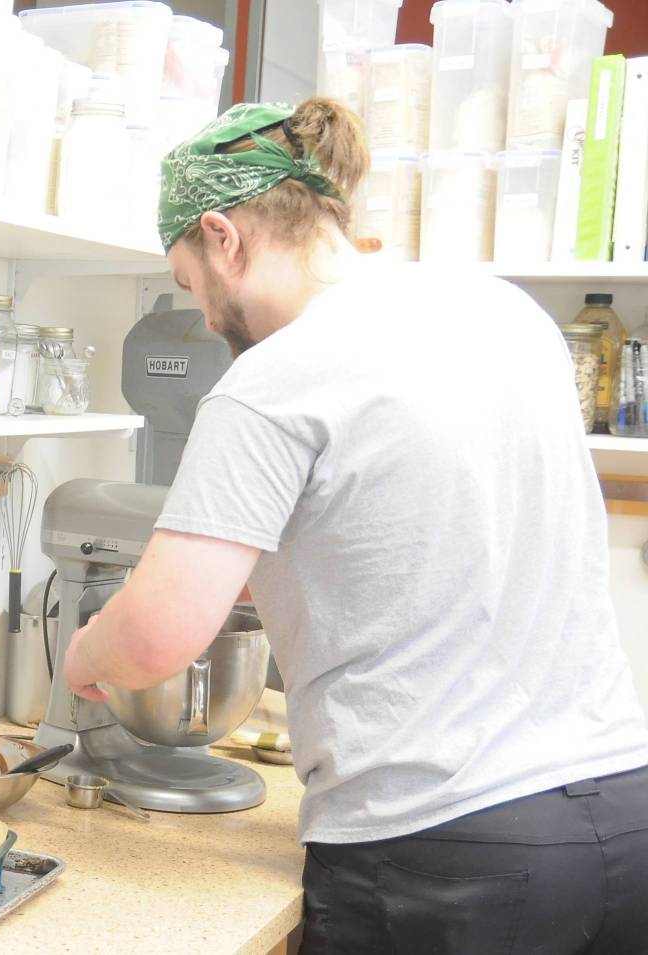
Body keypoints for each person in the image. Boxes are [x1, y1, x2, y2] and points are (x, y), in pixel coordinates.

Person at [63, 97, 648, 954]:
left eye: (189, 281)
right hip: (622, 813)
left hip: (444, 857)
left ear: (223, 236)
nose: (206, 316)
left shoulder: (274, 380)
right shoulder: (506, 315)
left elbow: (157, 635)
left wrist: (86, 653)